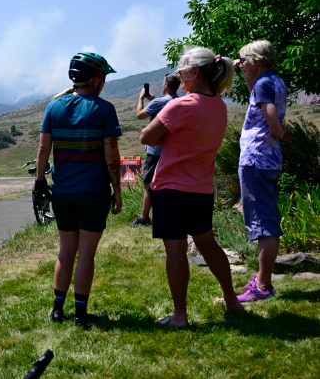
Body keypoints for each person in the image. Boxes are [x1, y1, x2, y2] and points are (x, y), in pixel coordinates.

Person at [140, 47, 244, 328]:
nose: (178, 74)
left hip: (171, 188)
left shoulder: (180, 105)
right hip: (202, 188)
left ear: (195, 72)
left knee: (175, 250)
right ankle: (232, 301)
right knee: (208, 244)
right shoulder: (219, 106)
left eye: (181, 68)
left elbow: (145, 136)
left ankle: (179, 316)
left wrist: (167, 139)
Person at [34, 52, 123, 329]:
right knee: (86, 254)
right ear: (95, 79)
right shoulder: (104, 109)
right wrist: (117, 190)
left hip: (62, 192)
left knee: (65, 251)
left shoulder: (54, 107)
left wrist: (39, 182)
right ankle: (81, 313)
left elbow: (42, 149)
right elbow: (111, 152)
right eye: (104, 78)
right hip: (93, 191)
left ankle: (57, 310)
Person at [234, 40, 289, 303]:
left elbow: (269, 114)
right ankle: (260, 278)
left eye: (243, 59)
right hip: (268, 159)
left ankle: (263, 286)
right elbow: (257, 99)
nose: (240, 63)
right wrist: (244, 74)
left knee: (263, 223)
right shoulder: (272, 80)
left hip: (256, 159)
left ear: (256, 59)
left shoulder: (263, 83)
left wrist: (279, 132)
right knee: (265, 217)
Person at [131, 74, 180, 227]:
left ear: (166, 85)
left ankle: (144, 217)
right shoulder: (179, 101)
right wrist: (152, 99)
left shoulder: (160, 102)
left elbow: (140, 115)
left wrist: (140, 99)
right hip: (170, 150)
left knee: (149, 184)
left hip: (154, 152)